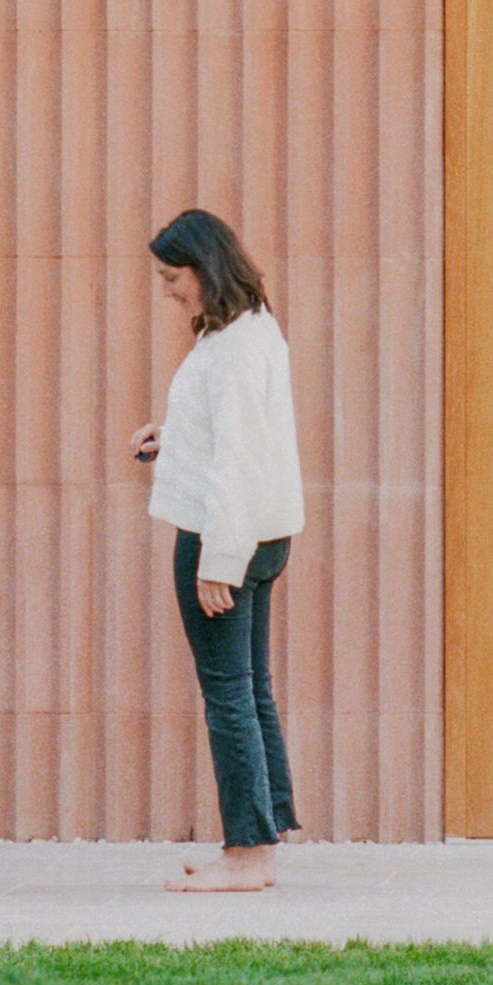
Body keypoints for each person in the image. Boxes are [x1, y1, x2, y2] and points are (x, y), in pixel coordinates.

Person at [134, 206, 303, 890]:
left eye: (174, 278)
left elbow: (236, 462)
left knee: (228, 693)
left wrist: (216, 562)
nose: (168, 291)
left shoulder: (232, 349)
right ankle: (260, 837)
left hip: (224, 534)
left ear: (205, 270)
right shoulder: (253, 329)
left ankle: (246, 855)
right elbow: (235, 443)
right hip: (264, 531)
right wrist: (168, 442)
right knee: (249, 687)